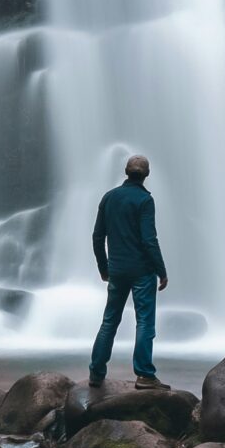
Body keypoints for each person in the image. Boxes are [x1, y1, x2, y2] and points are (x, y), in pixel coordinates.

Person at [89, 154, 168, 391]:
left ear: (126, 171)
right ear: (146, 175)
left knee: (110, 321)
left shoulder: (109, 197)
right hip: (142, 271)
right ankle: (144, 374)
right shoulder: (145, 201)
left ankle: (96, 372)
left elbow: (97, 237)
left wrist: (104, 268)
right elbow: (149, 240)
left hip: (117, 270)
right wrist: (161, 271)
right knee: (144, 321)